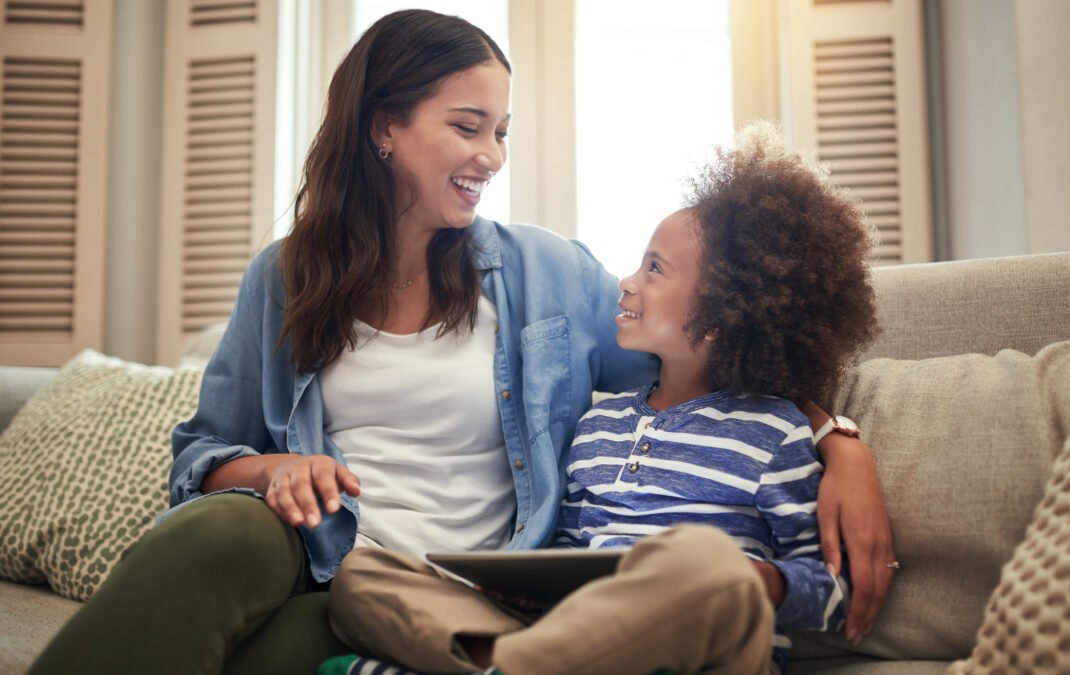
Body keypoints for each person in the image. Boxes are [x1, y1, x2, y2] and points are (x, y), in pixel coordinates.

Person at [29, 10, 892, 675]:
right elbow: (201, 454)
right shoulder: (284, 279)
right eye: (468, 125)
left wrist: (833, 435)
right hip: (341, 567)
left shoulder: (550, 275)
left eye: (503, 130)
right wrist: (270, 470)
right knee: (225, 531)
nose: (493, 154)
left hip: (474, 591)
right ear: (384, 127)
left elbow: (709, 356)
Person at [327, 121, 885, 675]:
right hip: (581, 638)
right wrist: (529, 590)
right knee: (365, 577)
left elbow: (832, 590)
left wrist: (760, 580)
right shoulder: (600, 424)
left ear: (717, 318)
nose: (627, 281)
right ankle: (518, 660)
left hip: (702, 647)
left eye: (656, 269)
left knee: (703, 560)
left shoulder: (773, 432)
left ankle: (497, 665)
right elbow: (568, 548)